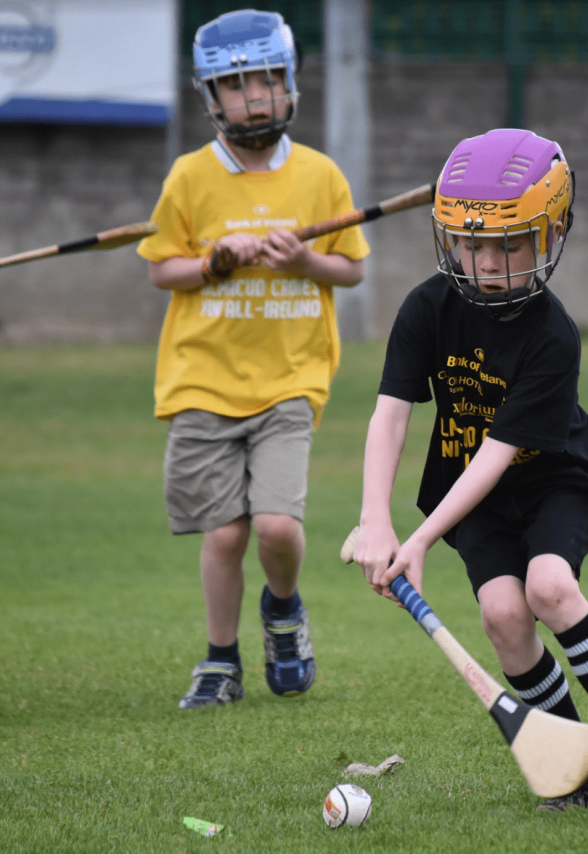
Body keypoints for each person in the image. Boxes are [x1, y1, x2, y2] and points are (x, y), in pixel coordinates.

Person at [351, 128, 588, 813]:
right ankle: (573, 764)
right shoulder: (426, 308)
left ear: (550, 234)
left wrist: (419, 542)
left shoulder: (552, 335)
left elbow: (498, 455)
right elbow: (390, 416)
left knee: (549, 586)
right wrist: (375, 519)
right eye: (470, 246)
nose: (486, 264)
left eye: (508, 245)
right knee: (503, 614)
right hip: (473, 496)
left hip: (555, 477)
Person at [136, 9, 369, 710]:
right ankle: (219, 660)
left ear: (289, 83)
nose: (255, 97)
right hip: (203, 380)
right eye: (237, 85)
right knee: (225, 532)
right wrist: (212, 263)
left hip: (291, 380)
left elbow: (351, 270)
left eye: (267, 80)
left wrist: (303, 259)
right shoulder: (189, 177)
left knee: (274, 526)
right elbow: (161, 270)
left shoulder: (320, 175)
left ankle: (284, 610)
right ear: (211, 97)